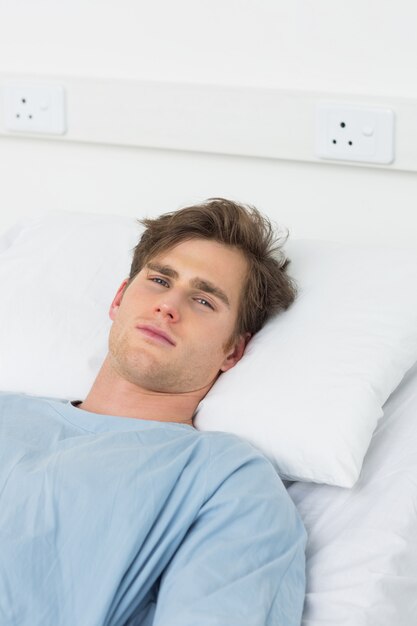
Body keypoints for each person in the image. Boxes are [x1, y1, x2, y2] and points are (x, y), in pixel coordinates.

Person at [0, 198, 307, 625]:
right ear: (119, 299)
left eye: (204, 301)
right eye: (160, 280)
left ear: (233, 351)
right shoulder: (9, 414)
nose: (168, 305)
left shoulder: (226, 480)